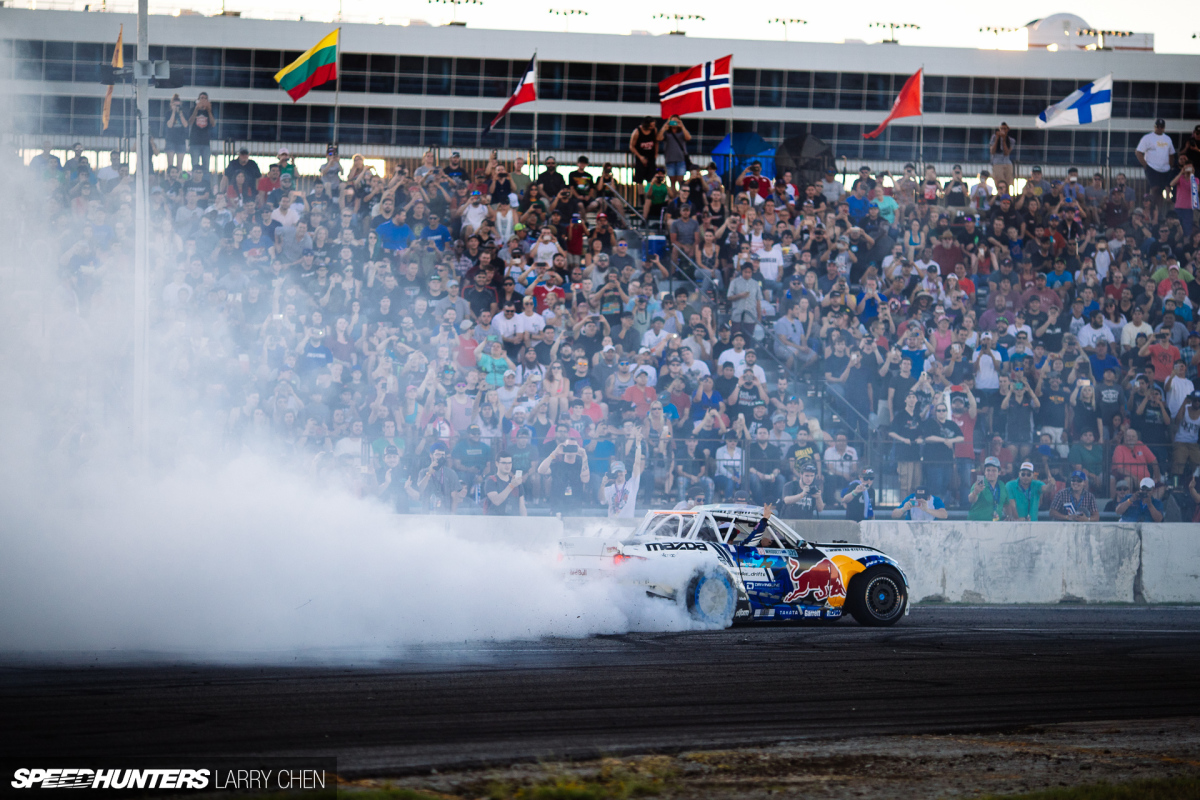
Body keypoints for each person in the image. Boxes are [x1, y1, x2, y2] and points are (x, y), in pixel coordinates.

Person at [602, 434, 645, 518]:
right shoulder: (609, 489)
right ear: (613, 473)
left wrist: (638, 444)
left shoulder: (632, 484)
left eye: (620, 471)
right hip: (612, 524)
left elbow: (637, 464)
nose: (619, 474)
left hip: (628, 523)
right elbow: (602, 500)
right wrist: (602, 485)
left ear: (625, 471)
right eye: (617, 472)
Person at [417, 442, 465, 514]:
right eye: (437, 454)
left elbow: (454, 497)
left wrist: (452, 515)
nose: (440, 457)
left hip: (445, 513)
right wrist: (429, 473)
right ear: (431, 455)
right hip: (427, 513)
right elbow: (420, 489)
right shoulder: (423, 472)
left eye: (442, 455)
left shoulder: (451, 473)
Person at [1135, 118, 1175, 203]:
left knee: (1161, 191)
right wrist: (1146, 166)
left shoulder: (1168, 139)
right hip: (1152, 168)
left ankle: (1159, 209)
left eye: (1161, 126)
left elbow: (1171, 154)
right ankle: (1152, 207)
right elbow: (1138, 152)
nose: (1159, 128)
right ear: (1155, 127)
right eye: (1158, 126)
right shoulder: (1147, 138)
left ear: (1164, 128)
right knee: (1154, 188)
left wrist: (1170, 166)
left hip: (1165, 169)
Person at [968, 456, 1010, 521]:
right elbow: (971, 500)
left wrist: (1008, 516)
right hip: (977, 523)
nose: (990, 473)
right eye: (988, 470)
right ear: (985, 472)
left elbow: (1006, 504)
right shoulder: (980, 483)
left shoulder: (1002, 485)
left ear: (999, 472)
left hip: (995, 524)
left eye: (994, 470)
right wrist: (975, 492)